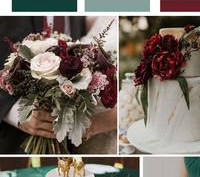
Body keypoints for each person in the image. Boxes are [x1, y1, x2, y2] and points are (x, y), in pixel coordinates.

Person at [0, 16, 117, 153]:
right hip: (11, 143)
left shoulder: (80, 16)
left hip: (77, 142)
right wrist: (15, 113)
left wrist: (96, 124)